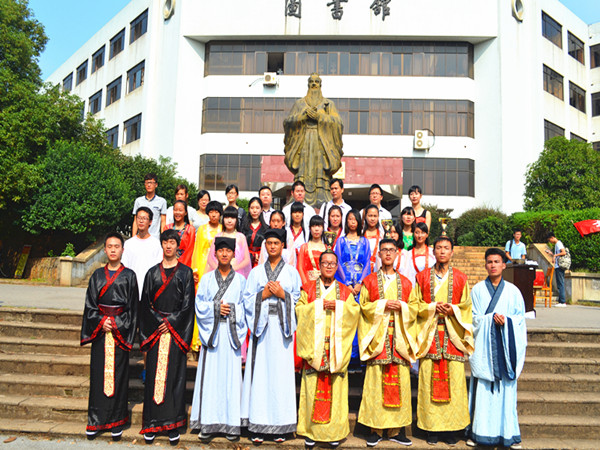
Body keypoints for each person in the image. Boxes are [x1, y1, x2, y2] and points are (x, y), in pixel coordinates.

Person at [409, 236, 474, 446]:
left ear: (452, 252)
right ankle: (431, 428)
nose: (442, 251)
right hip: (429, 336)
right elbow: (414, 305)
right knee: (428, 381)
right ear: (433, 251)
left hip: (453, 337)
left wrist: (453, 309)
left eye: (446, 248)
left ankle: (451, 429)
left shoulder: (461, 278)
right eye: (439, 248)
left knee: (454, 383)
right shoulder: (422, 277)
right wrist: (431, 308)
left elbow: (466, 307)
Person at [241, 228, 302, 443]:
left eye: (276, 243)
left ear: (283, 246)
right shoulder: (256, 272)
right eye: (269, 243)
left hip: (283, 331)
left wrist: (283, 294)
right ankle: (258, 424)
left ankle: (280, 426)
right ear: (265, 246)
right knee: (261, 375)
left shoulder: (292, 272)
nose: (273, 246)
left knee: (281, 377)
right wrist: (264, 294)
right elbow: (247, 299)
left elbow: (299, 300)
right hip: (263, 330)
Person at [296, 251, 360, 448]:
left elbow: (354, 312)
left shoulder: (345, 291)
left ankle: (334, 432)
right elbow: (299, 310)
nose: (329, 266)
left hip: (335, 348)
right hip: (314, 347)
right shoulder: (308, 288)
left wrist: (339, 307)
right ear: (320, 265)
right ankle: (311, 432)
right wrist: (318, 306)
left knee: (336, 389)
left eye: (333, 263)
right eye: (325, 263)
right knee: (312, 387)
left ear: (337, 266)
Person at [357, 239, 416, 447]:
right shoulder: (370, 281)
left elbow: (415, 308)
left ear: (397, 254)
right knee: (375, 385)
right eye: (384, 250)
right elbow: (363, 306)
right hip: (378, 340)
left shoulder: (407, 283)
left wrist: (402, 307)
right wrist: (382, 305)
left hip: (399, 340)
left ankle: (396, 430)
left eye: (391, 250)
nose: (388, 254)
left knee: (399, 384)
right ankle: (374, 429)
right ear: (379, 254)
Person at [139, 229, 195, 446]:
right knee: (154, 376)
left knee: (175, 378)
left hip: (176, 332)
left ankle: (173, 424)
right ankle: (151, 423)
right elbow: (145, 304)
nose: (169, 246)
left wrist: (171, 322)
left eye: (173, 242)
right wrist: (158, 322)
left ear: (177, 246)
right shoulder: (152, 273)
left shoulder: (185, 273)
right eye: (166, 242)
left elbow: (188, 305)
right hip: (156, 332)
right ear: (161, 245)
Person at [466, 248, 526, 449]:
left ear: (503, 265)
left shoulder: (513, 291)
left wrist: (506, 321)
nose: (493, 265)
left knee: (506, 395)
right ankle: (478, 433)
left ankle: (508, 434)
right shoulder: (477, 290)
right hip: (485, 350)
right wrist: (490, 320)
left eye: (496, 262)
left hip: (505, 351)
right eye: (489, 262)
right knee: (483, 393)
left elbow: (520, 320)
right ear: (485, 265)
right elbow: (472, 319)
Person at [81, 233, 138, 442]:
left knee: (119, 377)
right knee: (98, 377)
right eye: (110, 246)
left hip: (119, 333)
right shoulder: (97, 276)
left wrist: (116, 323)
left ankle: (117, 421)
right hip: (100, 333)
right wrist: (100, 321)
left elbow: (133, 309)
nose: (113, 250)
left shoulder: (129, 276)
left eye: (117, 246)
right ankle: (95, 421)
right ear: (105, 250)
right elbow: (90, 306)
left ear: (122, 249)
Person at [190, 237, 248, 443]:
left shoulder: (241, 281)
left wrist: (230, 309)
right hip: (213, 335)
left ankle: (232, 425)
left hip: (231, 336)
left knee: (231, 380)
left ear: (233, 255)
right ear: (215, 254)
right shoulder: (206, 279)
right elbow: (199, 305)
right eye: (221, 250)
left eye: (228, 251)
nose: (224, 254)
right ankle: (208, 423)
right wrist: (216, 308)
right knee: (211, 379)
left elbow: (246, 308)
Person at [283, 73, 344, 206]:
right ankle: (300, 194)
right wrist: (303, 117)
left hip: (321, 142)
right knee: (303, 167)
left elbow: (338, 123)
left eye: (317, 82)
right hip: (303, 141)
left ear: (320, 85)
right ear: (308, 84)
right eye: (312, 81)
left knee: (320, 168)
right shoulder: (299, 104)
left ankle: (322, 194)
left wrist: (320, 117)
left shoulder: (328, 104)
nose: (314, 84)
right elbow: (288, 122)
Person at [334, 209, 371, 368]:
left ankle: (359, 357)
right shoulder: (340, 241)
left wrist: (360, 283)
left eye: (355, 219)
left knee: (360, 318)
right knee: (345, 318)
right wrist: (347, 283)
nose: (352, 222)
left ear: (359, 222)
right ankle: (345, 356)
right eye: (349, 219)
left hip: (360, 286)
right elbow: (338, 263)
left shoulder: (365, 241)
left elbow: (368, 262)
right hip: (345, 285)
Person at [190, 201, 224, 355]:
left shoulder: (224, 230)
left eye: (216, 212)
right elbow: (197, 250)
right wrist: (195, 271)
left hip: (219, 268)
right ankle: (197, 341)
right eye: (211, 211)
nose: (214, 214)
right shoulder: (202, 230)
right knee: (202, 303)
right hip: (203, 268)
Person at [122, 207, 163, 300]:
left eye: (144, 218)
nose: (141, 221)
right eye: (139, 218)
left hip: (150, 290)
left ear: (150, 222)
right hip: (131, 290)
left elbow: (158, 269)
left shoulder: (156, 244)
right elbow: (124, 267)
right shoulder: (129, 244)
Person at [206, 206, 252, 278]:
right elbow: (210, 259)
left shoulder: (241, 237)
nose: (229, 221)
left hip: (236, 274)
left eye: (233, 218)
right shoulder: (218, 236)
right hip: (218, 274)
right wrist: (219, 270)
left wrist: (233, 269)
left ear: (236, 220)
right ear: (223, 219)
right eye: (227, 217)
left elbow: (247, 260)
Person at [132, 173, 167, 239]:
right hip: (140, 237)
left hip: (155, 237)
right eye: (147, 183)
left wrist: (163, 239)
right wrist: (133, 238)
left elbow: (163, 222)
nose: (149, 185)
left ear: (156, 185)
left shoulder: (162, 201)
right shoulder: (138, 201)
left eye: (151, 183)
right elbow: (135, 221)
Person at [297, 215, 327, 286]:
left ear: (323, 228)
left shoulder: (326, 248)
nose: (316, 229)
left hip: (324, 284)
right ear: (310, 228)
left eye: (319, 226)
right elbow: (300, 268)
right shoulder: (304, 247)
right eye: (313, 226)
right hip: (307, 283)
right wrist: (305, 284)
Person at [165, 200, 196, 268]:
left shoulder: (190, 229)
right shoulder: (167, 228)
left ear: (185, 213)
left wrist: (181, 267)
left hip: (184, 265)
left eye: (180, 210)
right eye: (175, 210)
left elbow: (189, 251)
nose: (177, 212)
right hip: (168, 264)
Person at [240, 197, 267, 268]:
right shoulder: (243, 227)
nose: (254, 211)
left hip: (261, 261)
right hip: (245, 260)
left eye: (257, 208)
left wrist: (259, 255)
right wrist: (251, 256)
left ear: (261, 209)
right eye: (252, 208)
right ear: (249, 209)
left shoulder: (266, 228)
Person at [546, 232, 567, 307]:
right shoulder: (557, 244)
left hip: (559, 266)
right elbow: (558, 254)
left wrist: (555, 255)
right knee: (559, 284)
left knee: (560, 284)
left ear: (552, 237)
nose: (550, 242)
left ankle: (562, 302)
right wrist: (552, 254)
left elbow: (564, 252)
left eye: (549, 240)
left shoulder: (558, 244)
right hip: (557, 265)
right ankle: (561, 301)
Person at [363, 204, 382, 272]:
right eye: (370, 216)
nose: (372, 219)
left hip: (378, 269)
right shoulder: (360, 234)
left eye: (375, 216)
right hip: (363, 269)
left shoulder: (382, 234)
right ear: (365, 216)